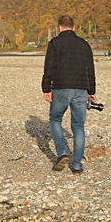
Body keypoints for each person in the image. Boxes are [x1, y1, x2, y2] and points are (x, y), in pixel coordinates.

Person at [42, 15, 96, 174]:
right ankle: (77, 165)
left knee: (55, 119)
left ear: (59, 27)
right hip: (81, 88)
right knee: (78, 126)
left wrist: (46, 88)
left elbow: (48, 68)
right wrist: (91, 92)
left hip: (61, 88)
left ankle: (62, 153)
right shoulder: (84, 44)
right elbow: (91, 70)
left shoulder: (54, 43)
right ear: (73, 27)